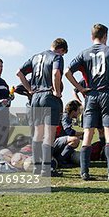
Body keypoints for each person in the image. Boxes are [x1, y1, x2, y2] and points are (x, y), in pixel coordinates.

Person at [65, 23, 109, 181]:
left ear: (92, 37)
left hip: (91, 95)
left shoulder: (83, 53)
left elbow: (67, 72)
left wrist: (80, 89)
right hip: (108, 93)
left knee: (88, 134)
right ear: (105, 36)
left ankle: (84, 172)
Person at [16, 38, 68, 177]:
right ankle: (46, 169)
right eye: (63, 53)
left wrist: (30, 89)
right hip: (48, 96)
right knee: (49, 135)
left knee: (37, 134)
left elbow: (19, 73)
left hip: (35, 98)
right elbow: (56, 73)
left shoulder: (35, 57)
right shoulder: (57, 57)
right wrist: (57, 91)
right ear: (61, 50)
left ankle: (36, 167)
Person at [53, 100, 83, 166]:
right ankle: (60, 161)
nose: (79, 112)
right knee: (75, 140)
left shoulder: (68, 117)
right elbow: (69, 132)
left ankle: (62, 158)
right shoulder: (65, 116)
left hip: (57, 142)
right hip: (53, 142)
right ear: (73, 111)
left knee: (80, 159)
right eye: (78, 110)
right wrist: (83, 133)